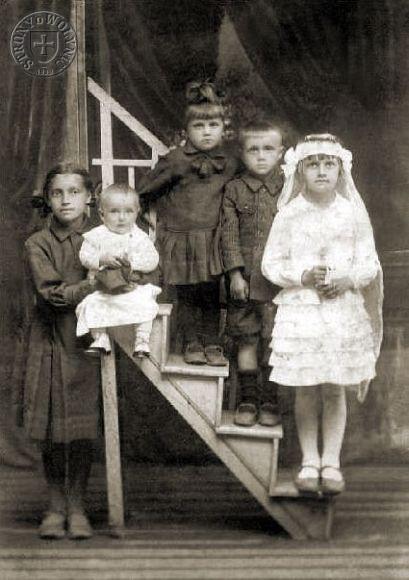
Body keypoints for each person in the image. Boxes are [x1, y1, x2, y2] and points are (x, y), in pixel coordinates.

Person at [261, 134, 383, 495]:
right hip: (303, 311)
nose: (321, 171)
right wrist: (301, 276)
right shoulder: (290, 214)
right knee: (307, 388)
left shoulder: (351, 212)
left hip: (340, 309)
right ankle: (309, 460)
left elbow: (370, 263)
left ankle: (331, 462)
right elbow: (270, 263)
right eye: (313, 164)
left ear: (340, 170)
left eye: (329, 164)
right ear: (300, 170)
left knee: (333, 388)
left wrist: (348, 279)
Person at [18, 163, 101, 539]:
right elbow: (52, 295)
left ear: (89, 197)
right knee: (53, 431)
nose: (66, 200)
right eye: (57, 193)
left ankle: (78, 506)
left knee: (82, 430)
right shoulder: (37, 243)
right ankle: (55, 506)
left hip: (88, 342)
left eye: (74, 192)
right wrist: (93, 284)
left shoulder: (102, 237)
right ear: (48, 199)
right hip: (50, 339)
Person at [138, 81, 237, 366]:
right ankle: (191, 342)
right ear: (186, 129)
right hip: (182, 238)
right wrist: (153, 219)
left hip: (213, 239)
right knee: (187, 294)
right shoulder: (176, 160)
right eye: (199, 126)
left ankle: (212, 343)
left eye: (213, 125)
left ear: (223, 127)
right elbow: (143, 192)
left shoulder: (230, 161)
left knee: (211, 294)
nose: (206, 132)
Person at [221, 119, 284, 427]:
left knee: (273, 342)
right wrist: (234, 274)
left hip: (277, 283)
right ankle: (248, 399)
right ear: (242, 154)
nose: (261, 156)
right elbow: (228, 234)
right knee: (246, 340)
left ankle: (270, 401)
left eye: (268, 149)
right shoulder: (234, 189)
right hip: (243, 282)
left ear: (280, 153)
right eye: (253, 149)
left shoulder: (288, 189)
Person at [76, 183, 161, 358]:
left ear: (137, 212)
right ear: (102, 214)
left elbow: (153, 259)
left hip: (132, 288)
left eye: (128, 212)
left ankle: (142, 340)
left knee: (145, 302)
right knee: (91, 303)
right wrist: (101, 259)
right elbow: (84, 256)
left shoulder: (140, 237)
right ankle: (101, 338)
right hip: (105, 289)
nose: (122, 218)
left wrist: (133, 263)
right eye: (114, 212)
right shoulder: (97, 235)